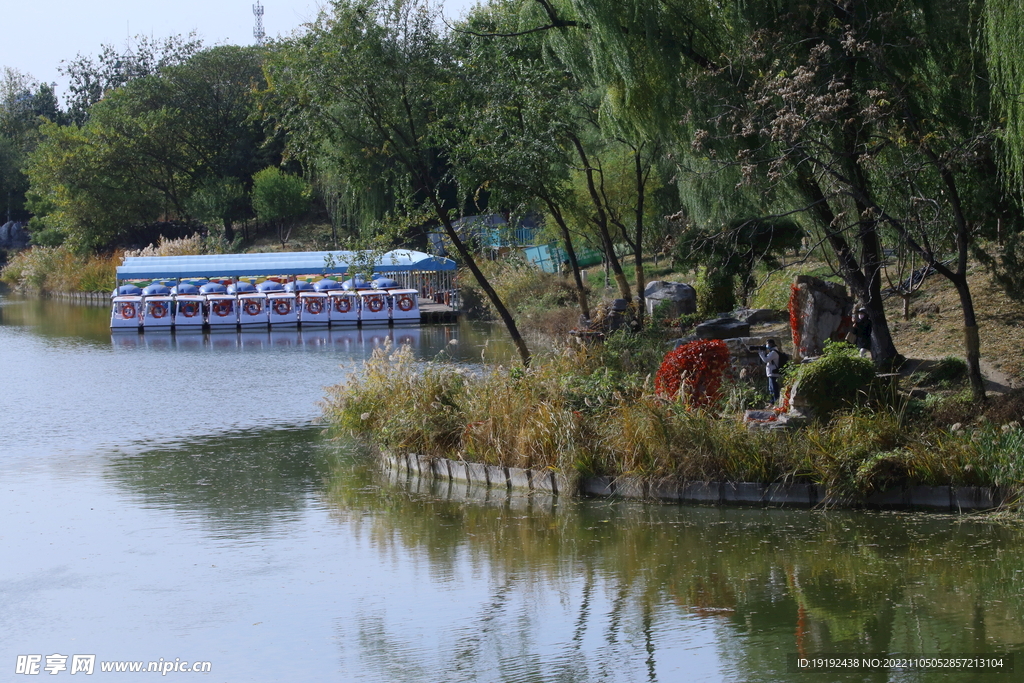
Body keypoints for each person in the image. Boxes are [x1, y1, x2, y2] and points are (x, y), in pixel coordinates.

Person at [758, 339, 782, 406]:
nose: (766, 346)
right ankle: (772, 402)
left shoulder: (774, 352)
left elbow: (766, 360)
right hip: (771, 373)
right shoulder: (772, 352)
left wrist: (760, 353)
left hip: (774, 374)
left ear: (771, 344)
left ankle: (776, 403)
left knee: (774, 389)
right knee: (771, 389)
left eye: (767, 344)